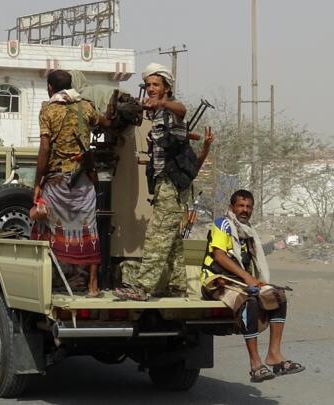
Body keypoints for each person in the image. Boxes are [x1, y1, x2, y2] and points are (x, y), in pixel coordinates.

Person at [118, 63, 212, 300]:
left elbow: (183, 109)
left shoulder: (170, 108)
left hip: (171, 182)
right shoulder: (158, 113)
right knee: (172, 240)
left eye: (155, 85)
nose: (151, 89)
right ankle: (179, 285)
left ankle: (142, 288)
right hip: (163, 182)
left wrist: (160, 103)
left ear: (166, 88)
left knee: (157, 236)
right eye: (148, 85)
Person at [200, 190, 304, 382]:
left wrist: (257, 280)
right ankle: (255, 364)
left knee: (278, 296)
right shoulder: (222, 224)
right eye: (241, 206)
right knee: (250, 303)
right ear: (232, 207)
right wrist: (248, 278)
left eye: (248, 207)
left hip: (240, 281)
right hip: (218, 281)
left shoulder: (247, 231)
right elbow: (219, 256)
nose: (244, 210)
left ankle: (274, 355)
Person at [31, 69, 111, 297]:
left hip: (56, 183)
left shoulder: (48, 110)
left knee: (44, 229)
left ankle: (49, 282)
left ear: (50, 88)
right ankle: (93, 286)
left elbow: (45, 148)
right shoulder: (85, 107)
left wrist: (37, 183)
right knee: (89, 230)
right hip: (83, 181)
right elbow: (104, 122)